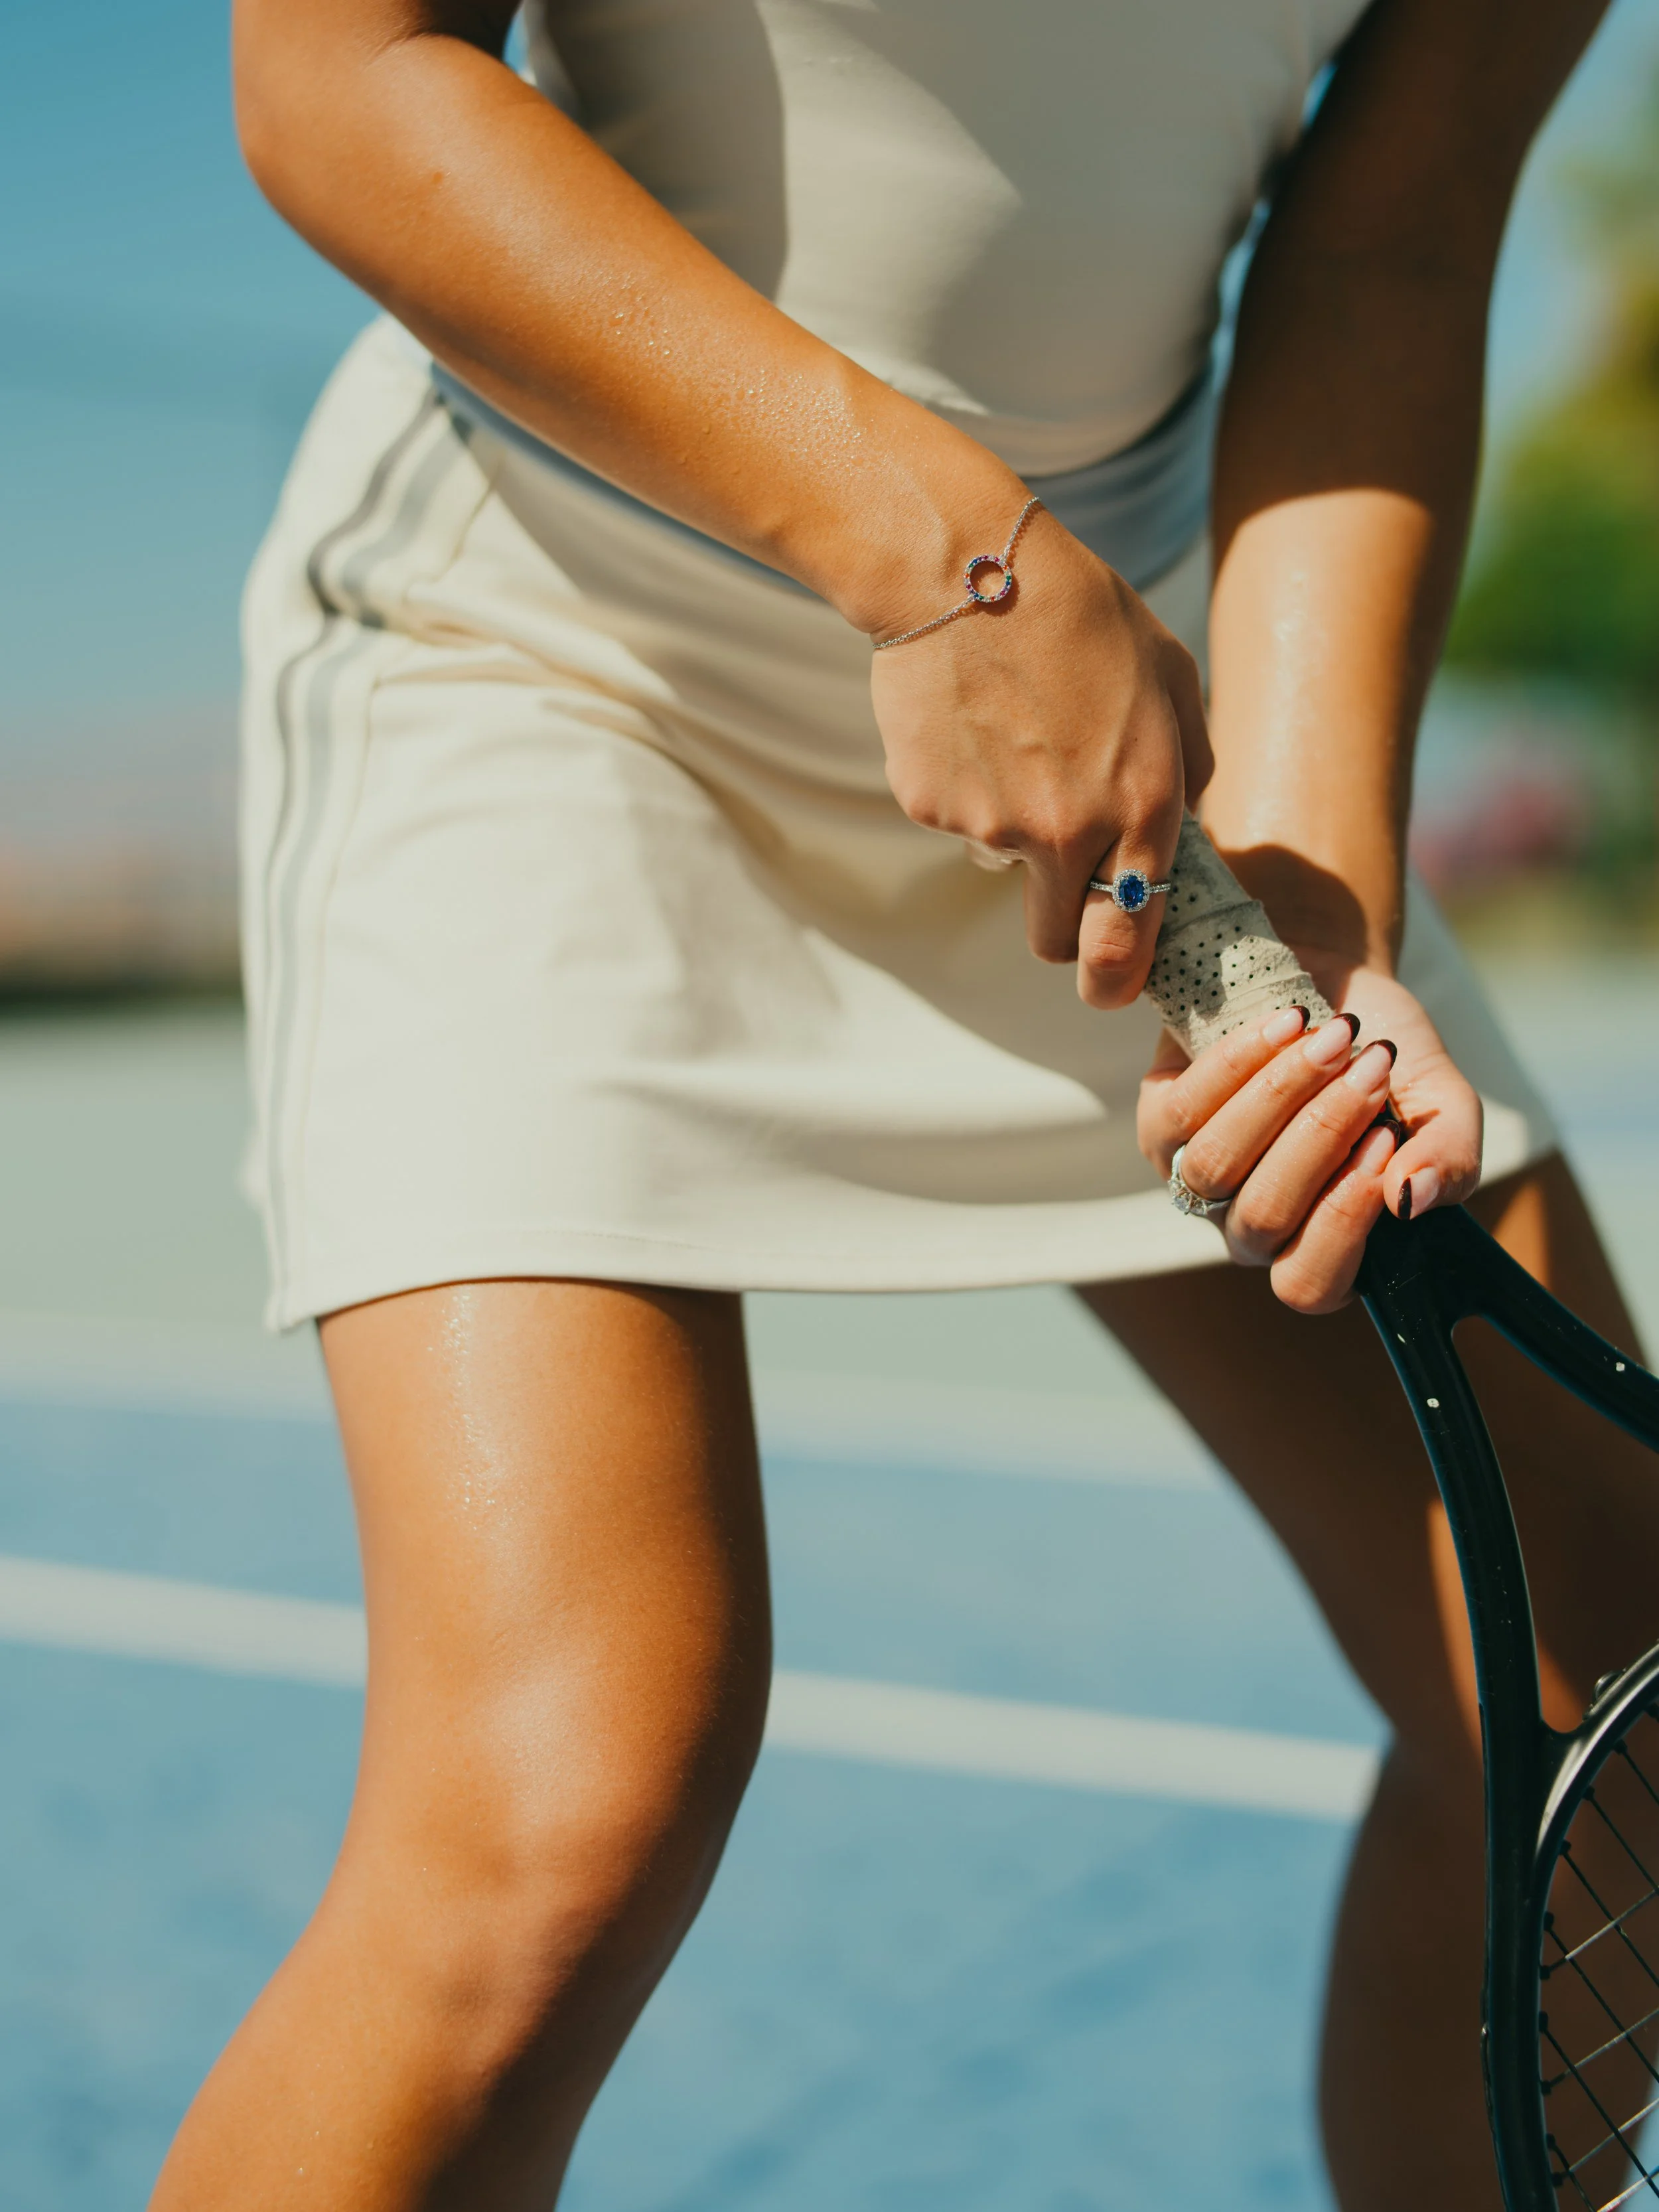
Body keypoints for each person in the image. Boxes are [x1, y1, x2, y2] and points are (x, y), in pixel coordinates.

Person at [152, 1, 1656, 2204]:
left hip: (1135, 736)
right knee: (567, 1801)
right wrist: (938, 549)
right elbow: (340, 73)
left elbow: (1394, 242)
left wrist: (1310, 899)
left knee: (1609, 1687)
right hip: (555, 652)